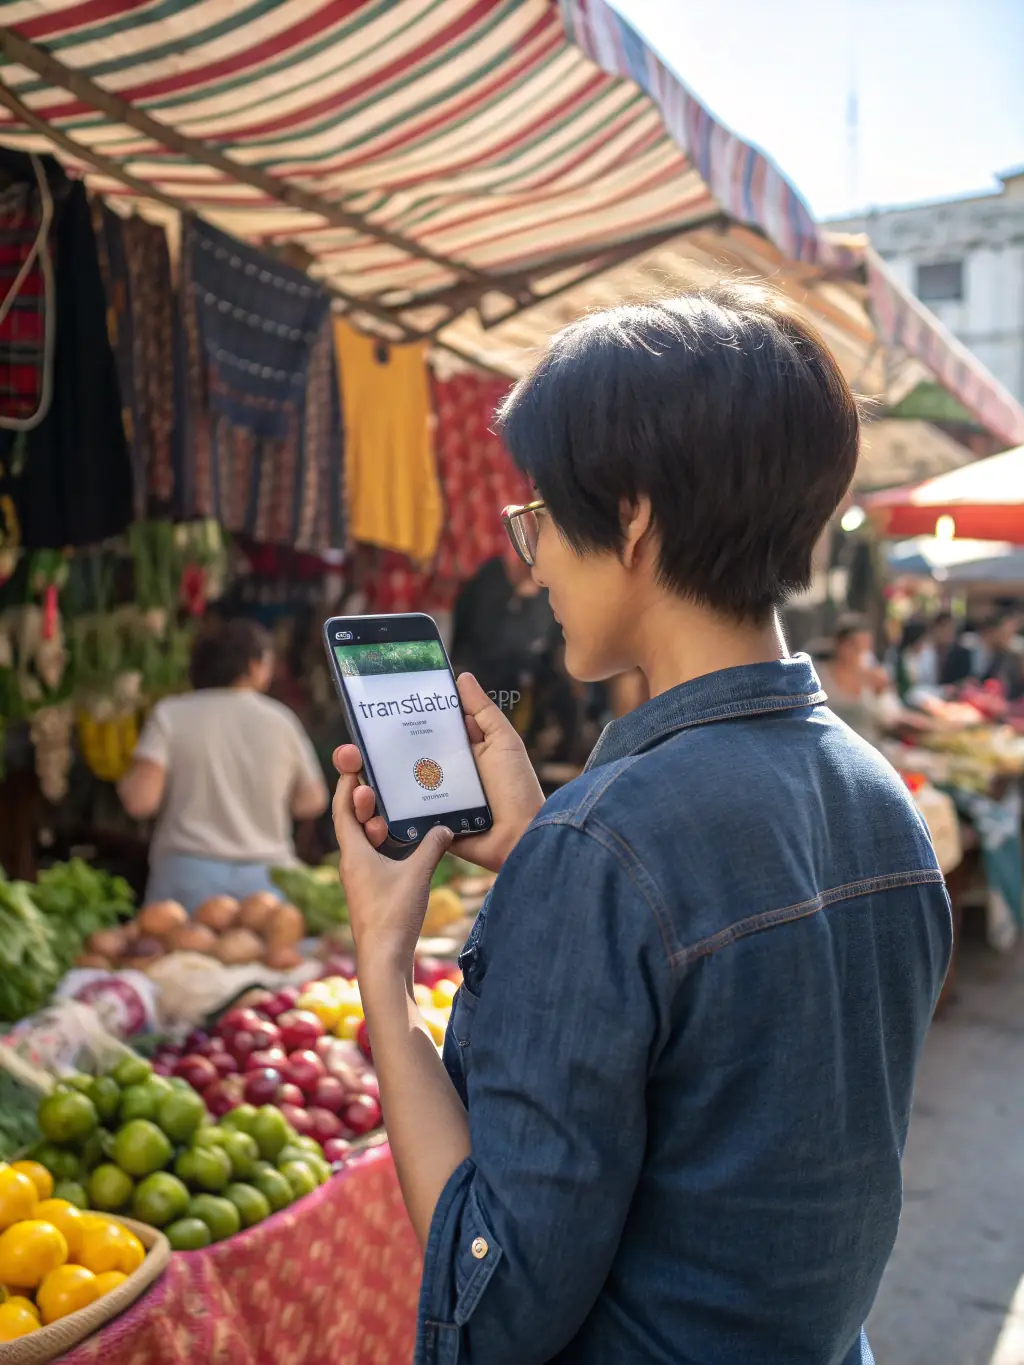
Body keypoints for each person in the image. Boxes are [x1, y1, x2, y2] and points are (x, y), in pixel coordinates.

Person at [330, 287, 951, 1365]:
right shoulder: (877, 799)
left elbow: (500, 1303)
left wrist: (383, 968)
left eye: (538, 519)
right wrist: (544, 852)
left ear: (629, 514)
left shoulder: (606, 848)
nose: (532, 562)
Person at [118, 618, 328, 910]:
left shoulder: (171, 715)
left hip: (187, 878)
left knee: (174, 956)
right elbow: (312, 801)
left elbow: (140, 801)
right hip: (267, 881)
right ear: (253, 667)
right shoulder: (281, 720)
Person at [815, 614, 892, 744]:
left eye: (865, 648)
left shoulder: (871, 678)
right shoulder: (819, 677)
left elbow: (887, 719)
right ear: (839, 644)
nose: (860, 654)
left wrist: (881, 693)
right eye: (854, 646)